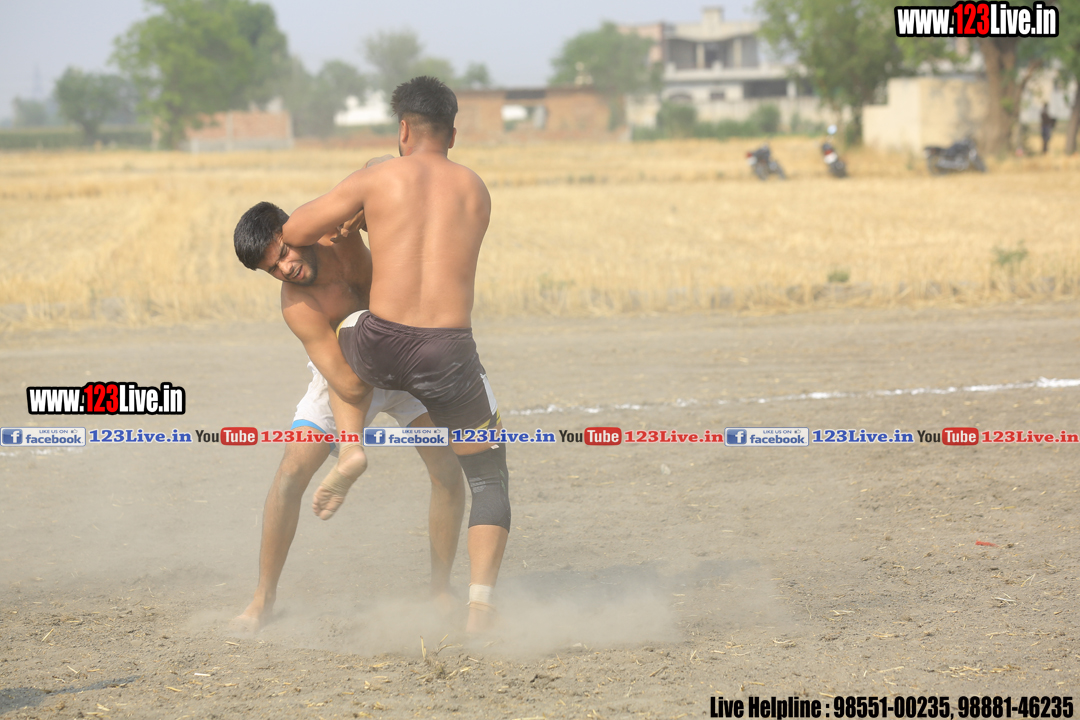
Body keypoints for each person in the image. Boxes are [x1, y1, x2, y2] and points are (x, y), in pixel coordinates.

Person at [278, 76, 508, 634]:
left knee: (346, 328)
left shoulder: (377, 179)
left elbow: (294, 229)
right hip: (448, 354)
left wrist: (357, 209)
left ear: (403, 129)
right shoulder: (476, 189)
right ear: (452, 133)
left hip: (379, 344)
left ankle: (351, 450)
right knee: (488, 480)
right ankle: (479, 611)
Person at [230, 198, 466, 634]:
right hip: (346, 376)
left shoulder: (336, 228)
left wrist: (366, 215)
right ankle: (262, 600)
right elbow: (350, 385)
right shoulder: (298, 306)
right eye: (272, 269)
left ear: (293, 230)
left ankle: (440, 592)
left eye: (283, 253)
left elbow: (381, 176)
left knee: (448, 470)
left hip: (408, 360)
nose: (285, 269)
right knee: (290, 475)